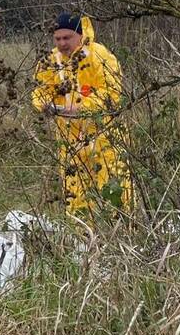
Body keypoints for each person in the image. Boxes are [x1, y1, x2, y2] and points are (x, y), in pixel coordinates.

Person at [31, 12, 131, 222]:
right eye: (57, 38)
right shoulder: (50, 60)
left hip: (105, 135)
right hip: (69, 137)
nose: (62, 43)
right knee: (75, 192)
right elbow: (41, 89)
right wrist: (44, 105)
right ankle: (82, 239)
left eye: (67, 38)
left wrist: (80, 108)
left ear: (79, 34)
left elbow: (112, 94)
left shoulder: (99, 56)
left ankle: (122, 231)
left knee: (116, 187)